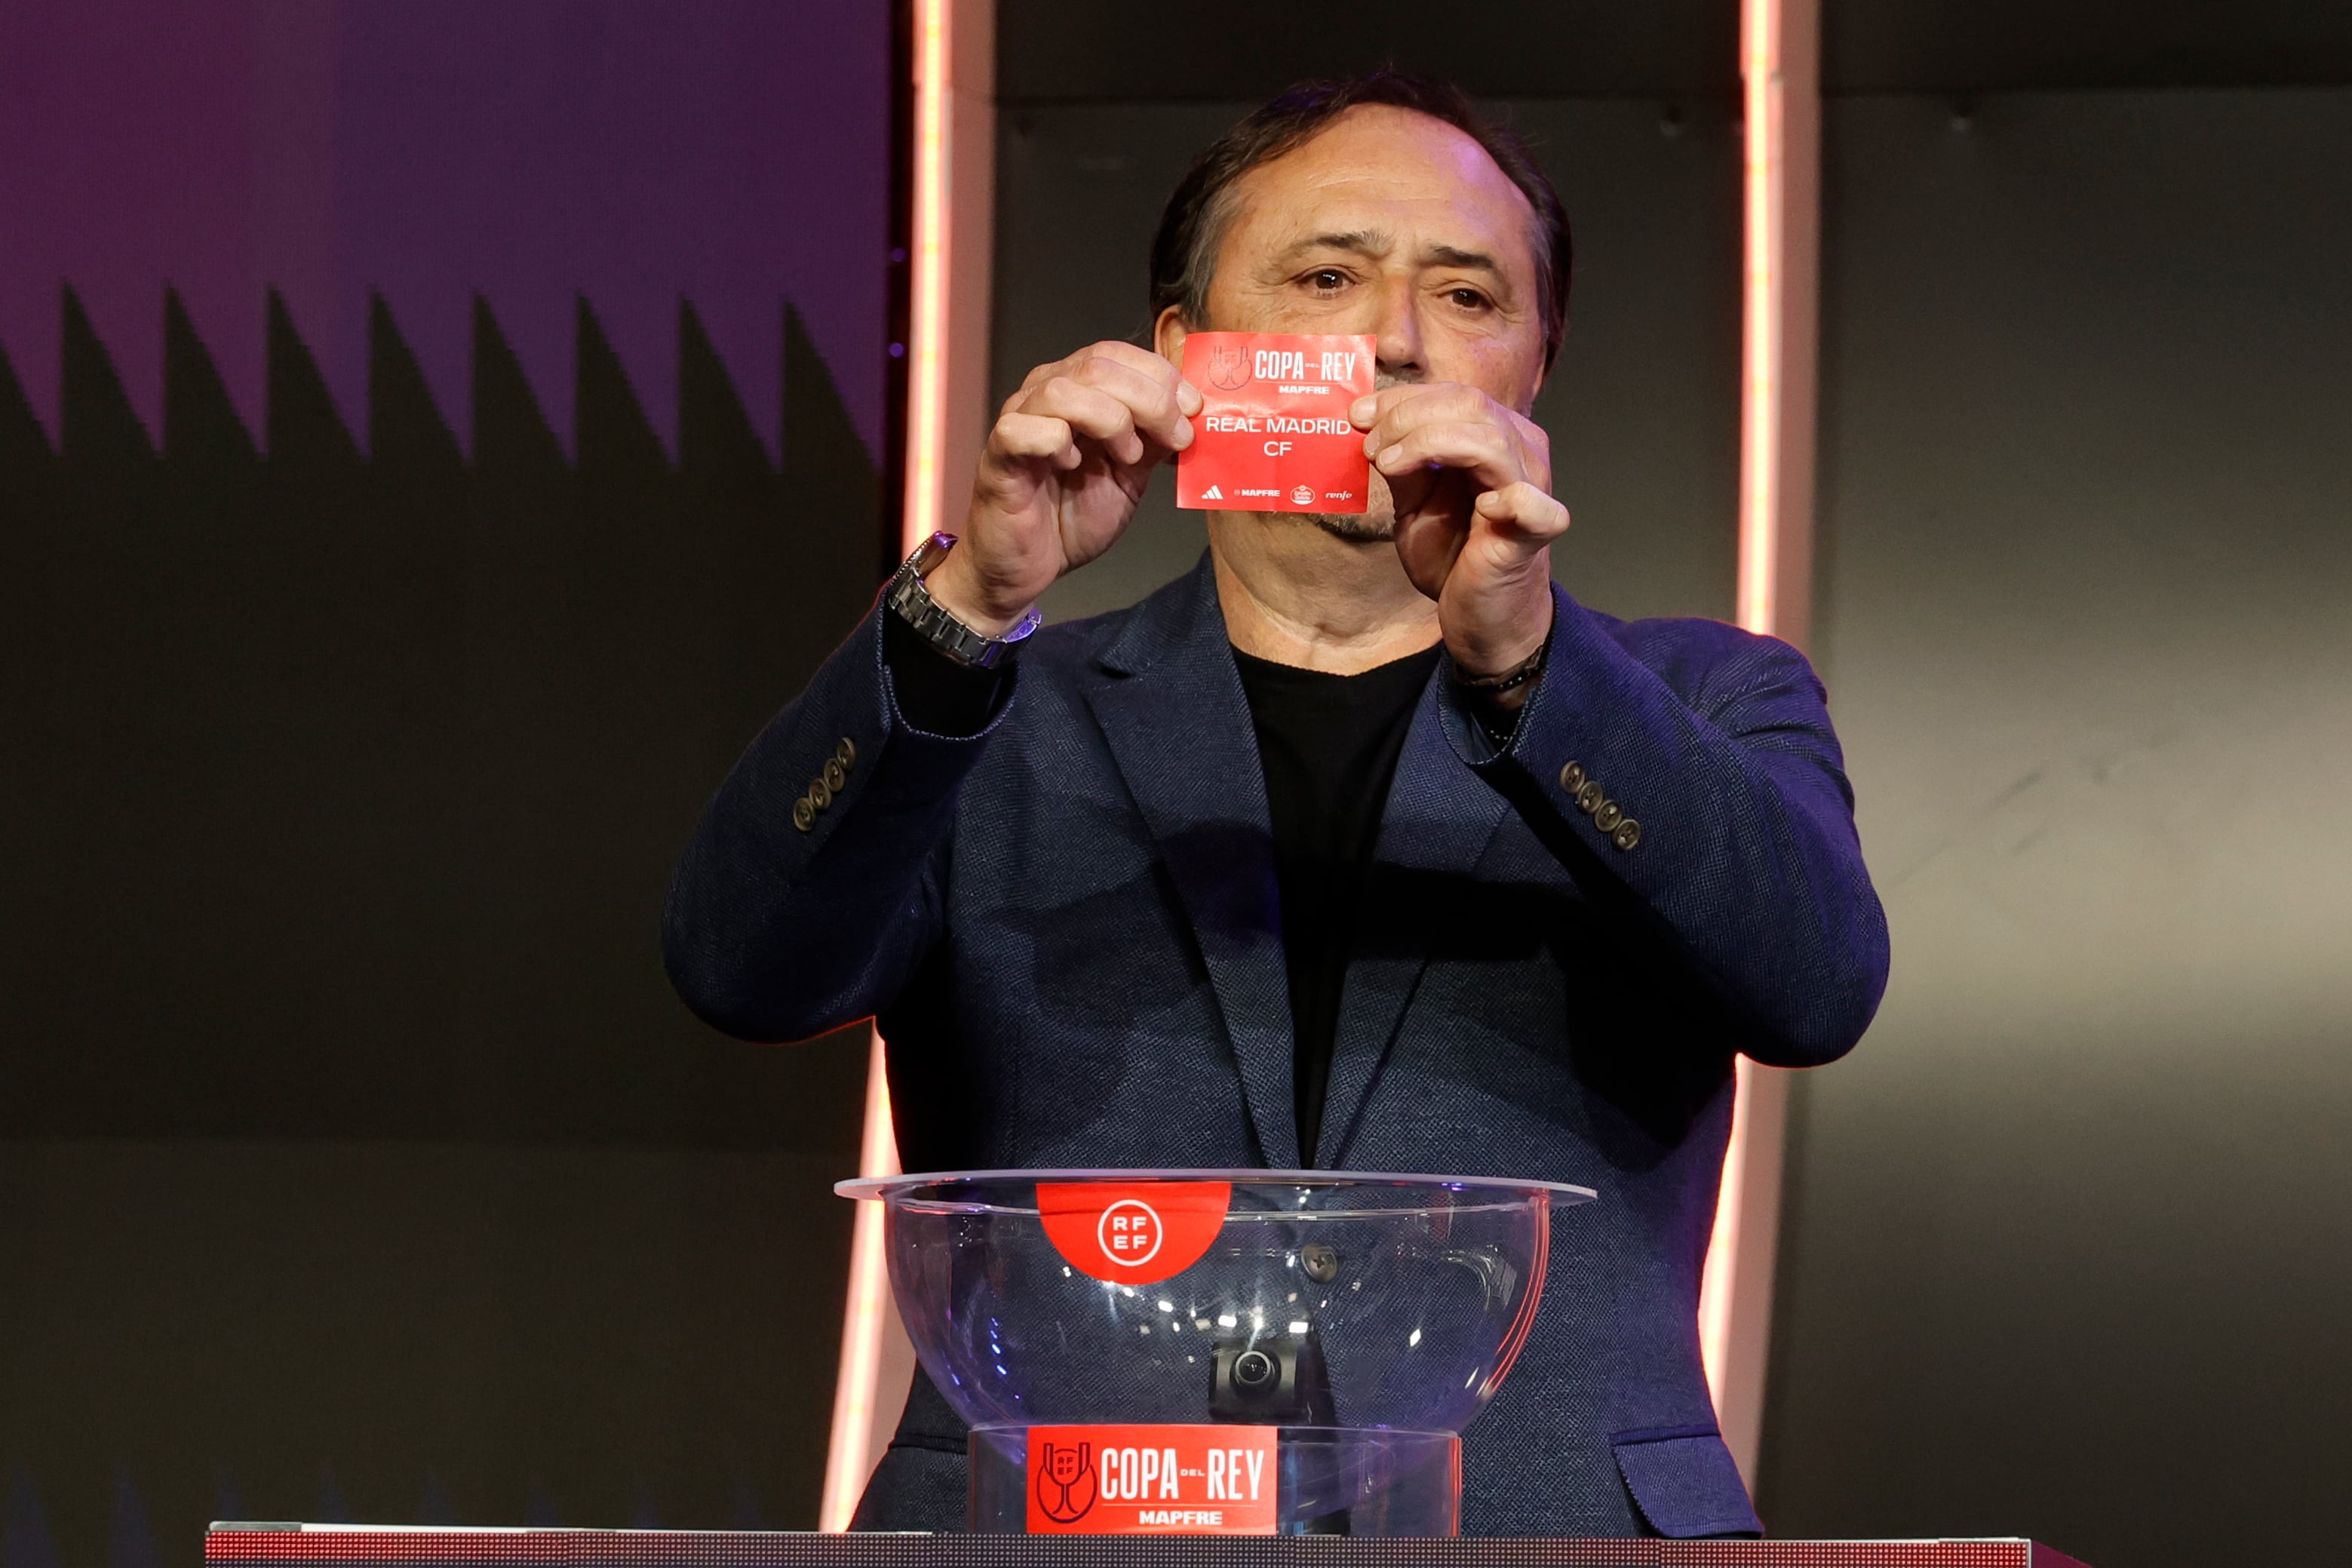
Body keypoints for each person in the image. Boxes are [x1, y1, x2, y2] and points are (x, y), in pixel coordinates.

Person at [663, 71, 1888, 1538]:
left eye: (1468, 294)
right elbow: (737, 966)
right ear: (1184, 347)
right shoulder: (987, 707)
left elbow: (1815, 986)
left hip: (1546, 1524)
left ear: (1533, 366)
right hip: (1055, 1526)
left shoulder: (1690, 700)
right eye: (1325, 277)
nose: (1391, 341)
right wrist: (966, 602)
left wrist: (1527, 667)